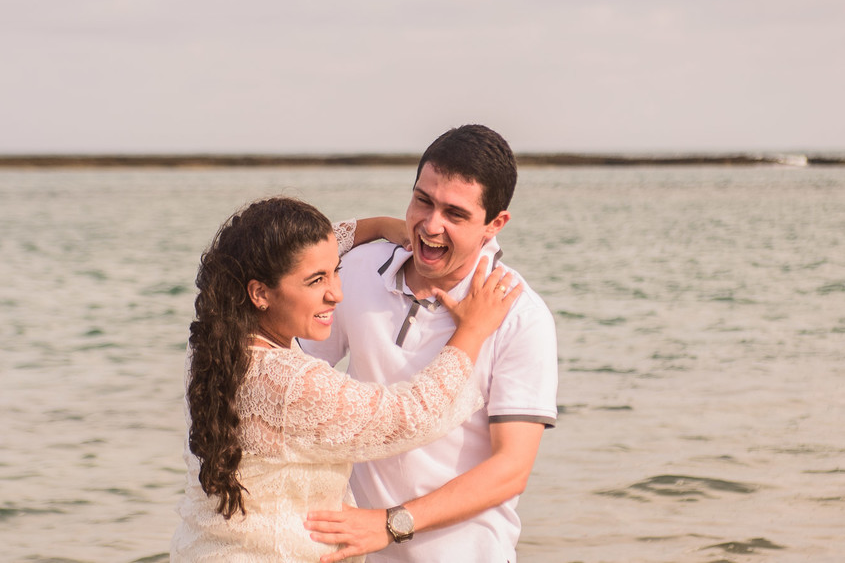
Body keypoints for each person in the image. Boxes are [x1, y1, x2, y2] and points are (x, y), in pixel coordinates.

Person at [169, 197, 522, 562]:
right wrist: (474, 330)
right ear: (260, 293)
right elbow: (412, 415)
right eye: (316, 280)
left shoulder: (213, 345)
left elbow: (313, 246)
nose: (336, 292)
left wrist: (382, 226)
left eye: (336, 270)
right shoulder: (293, 383)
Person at [301, 125, 559, 562]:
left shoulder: (521, 317)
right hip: (356, 552)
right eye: (423, 201)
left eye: (455, 214)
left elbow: (510, 469)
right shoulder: (358, 270)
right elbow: (295, 374)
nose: (431, 225)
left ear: (494, 224)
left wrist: (389, 524)